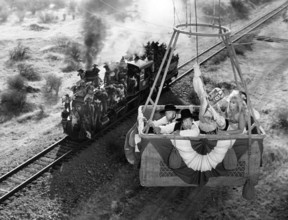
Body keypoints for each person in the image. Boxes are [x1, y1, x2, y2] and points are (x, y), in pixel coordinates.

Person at [193, 63, 226, 134]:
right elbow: (201, 118)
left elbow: (221, 123)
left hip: (212, 129)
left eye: (215, 97)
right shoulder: (204, 100)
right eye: (212, 95)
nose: (212, 97)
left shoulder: (215, 106)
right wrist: (197, 73)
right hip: (203, 129)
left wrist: (216, 117)